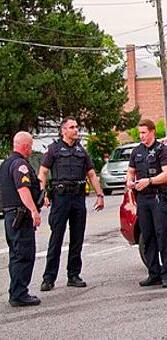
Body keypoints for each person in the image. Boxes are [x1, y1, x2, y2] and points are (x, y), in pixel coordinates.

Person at [38, 117, 105, 291]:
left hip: (78, 198)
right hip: (60, 198)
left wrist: (100, 194)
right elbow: (43, 172)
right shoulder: (53, 149)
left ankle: (73, 275)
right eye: (72, 127)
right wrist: (42, 193)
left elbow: (91, 174)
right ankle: (48, 278)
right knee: (56, 238)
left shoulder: (81, 151)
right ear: (63, 131)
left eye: (77, 127)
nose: (76, 130)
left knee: (77, 238)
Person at [126, 119, 167, 288]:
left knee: (162, 235)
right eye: (140, 133)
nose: (141, 136)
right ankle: (154, 273)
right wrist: (130, 182)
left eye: (144, 133)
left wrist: (150, 181)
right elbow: (130, 171)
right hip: (143, 199)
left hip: (157, 197)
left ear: (152, 132)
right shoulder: (136, 151)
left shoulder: (163, 151)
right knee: (147, 236)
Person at [0, 132, 42, 306]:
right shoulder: (20, 164)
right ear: (25, 146)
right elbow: (22, 189)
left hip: (11, 216)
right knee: (23, 254)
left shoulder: (5, 164)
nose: (31, 149)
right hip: (20, 216)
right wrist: (34, 210)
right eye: (30, 145)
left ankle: (16, 291)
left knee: (16, 254)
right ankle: (19, 294)